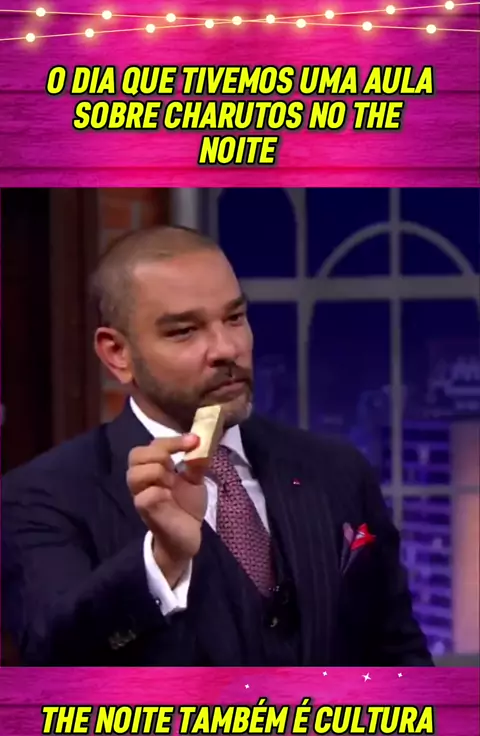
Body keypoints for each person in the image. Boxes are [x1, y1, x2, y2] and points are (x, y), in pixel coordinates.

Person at [1, 225, 433, 667]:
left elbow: (400, 659)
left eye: (234, 318)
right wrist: (162, 562)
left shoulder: (337, 470)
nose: (227, 349)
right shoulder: (41, 497)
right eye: (185, 331)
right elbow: (52, 658)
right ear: (118, 354)